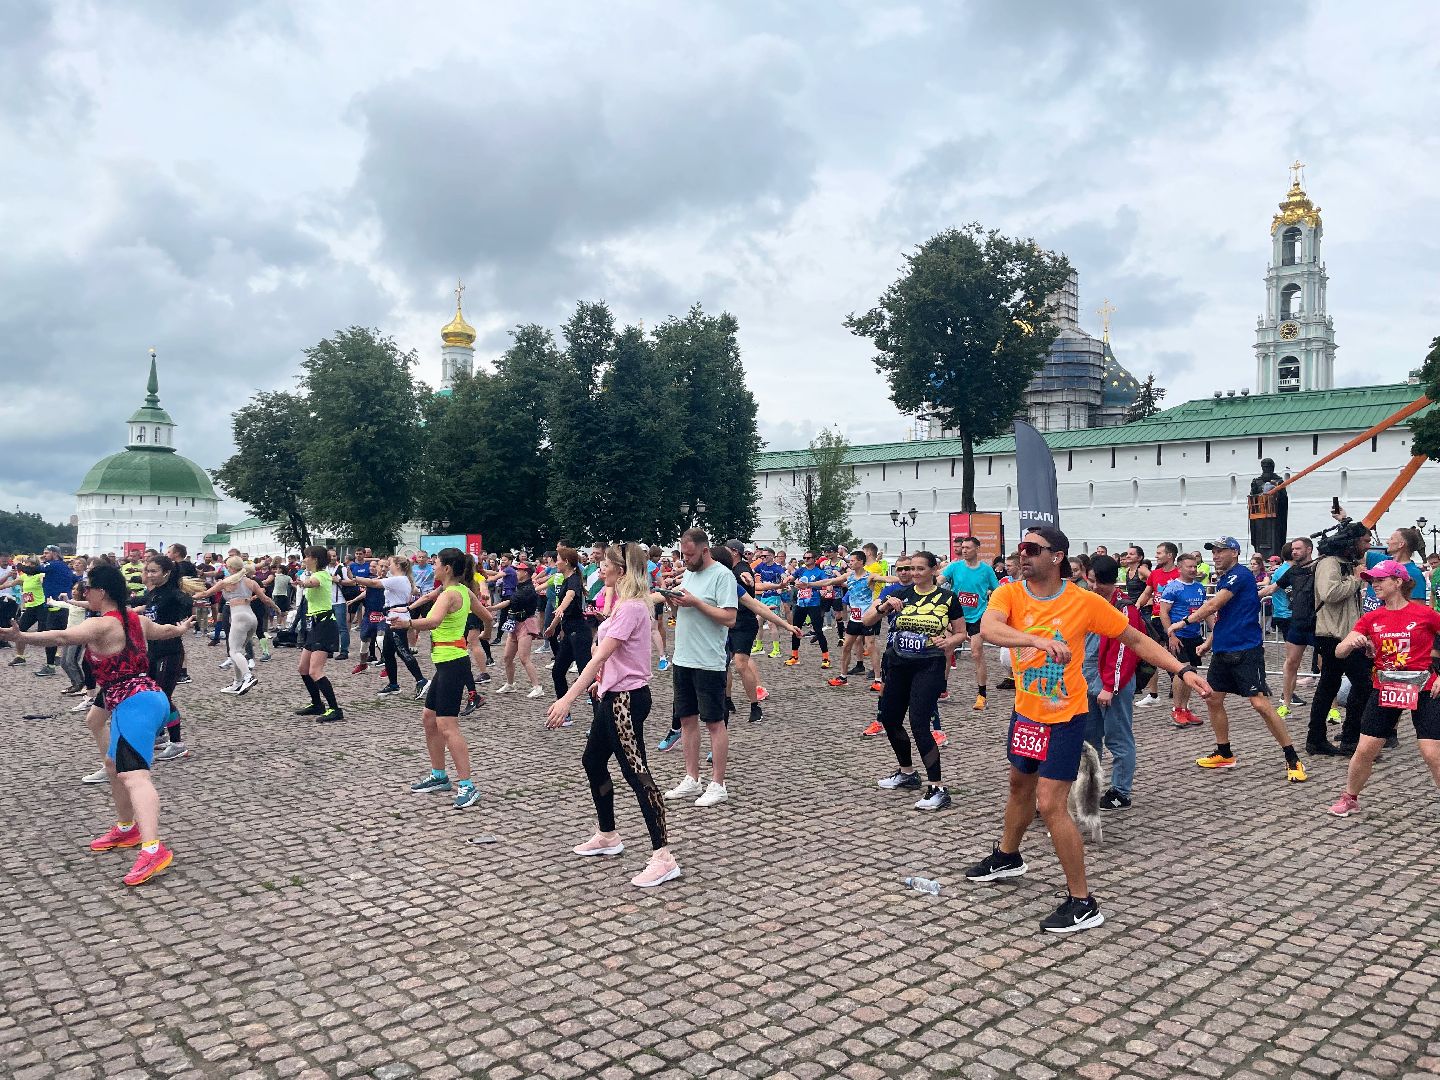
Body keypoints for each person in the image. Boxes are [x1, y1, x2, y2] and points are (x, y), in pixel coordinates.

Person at [967, 525, 1212, 934]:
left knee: (1049, 804)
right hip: (1026, 712)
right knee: (1017, 784)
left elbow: (1135, 638)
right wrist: (1037, 640)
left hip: (1064, 715)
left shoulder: (1083, 602)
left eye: (1031, 549)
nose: (1021, 556)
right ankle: (1009, 855)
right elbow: (989, 628)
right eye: (1019, 549)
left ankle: (1083, 902)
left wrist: (1182, 669)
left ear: (1056, 556)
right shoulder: (1009, 592)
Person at [0, 564, 192, 885]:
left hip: (135, 703)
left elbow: (61, 635)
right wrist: (181, 628)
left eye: (86, 588)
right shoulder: (137, 620)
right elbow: (164, 631)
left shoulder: (104, 625)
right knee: (105, 746)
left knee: (135, 776)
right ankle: (127, 829)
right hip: (136, 694)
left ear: (101, 591)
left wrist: (22, 636)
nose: (83, 593)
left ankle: (153, 848)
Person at [547, 542, 680, 888]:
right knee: (593, 761)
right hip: (611, 695)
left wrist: (566, 700)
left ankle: (664, 856)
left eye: (605, 565)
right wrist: (602, 682)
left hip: (626, 701)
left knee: (637, 773)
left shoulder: (633, 608)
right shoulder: (623, 602)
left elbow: (598, 657)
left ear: (621, 571)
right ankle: (608, 834)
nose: (599, 568)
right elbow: (613, 655)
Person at [1182, 537, 1307, 780]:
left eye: (1221, 551)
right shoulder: (1224, 578)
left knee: (1259, 704)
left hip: (1246, 650)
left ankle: (1293, 758)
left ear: (1235, 553)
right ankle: (1224, 752)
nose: (1216, 555)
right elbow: (1225, 615)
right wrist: (1209, 642)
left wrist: (1185, 622)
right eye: (1214, 551)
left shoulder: (1239, 575)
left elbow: (1213, 607)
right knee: (1213, 698)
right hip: (1223, 650)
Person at [1328, 559, 1440, 816]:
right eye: (1372, 581)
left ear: (1398, 582)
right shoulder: (1371, 618)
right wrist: (1352, 641)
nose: (1374, 585)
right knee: (1365, 748)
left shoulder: (1424, 614)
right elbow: (1339, 651)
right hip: (1387, 687)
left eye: (1380, 580)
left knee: (1431, 752)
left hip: (1423, 687)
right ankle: (1350, 798)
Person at [865, 551, 965, 811]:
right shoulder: (900, 594)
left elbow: (961, 633)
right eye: (911, 568)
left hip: (929, 665)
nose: (915, 573)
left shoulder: (947, 598)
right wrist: (884, 606)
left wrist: (949, 641)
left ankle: (938, 787)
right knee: (889, 718)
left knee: (919, 723)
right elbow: (867, 620)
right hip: (898, 663)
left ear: (933, 570)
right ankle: (907, 773)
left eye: (921, 568)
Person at [662, 528, 738, 808]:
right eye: (684, 554)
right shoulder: (690, 574)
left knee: (714, 722)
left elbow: (729, 618)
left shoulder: (722, 576)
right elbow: (683, 613)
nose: (686, 559)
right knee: (686, 720)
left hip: (709, 660)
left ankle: (718, 783)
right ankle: (692, 778)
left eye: (690, 554)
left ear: (705, 550)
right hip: (683, 658)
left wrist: (695, 602)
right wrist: (674, 604)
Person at [401, 548, 483, 809]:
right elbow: (488, 616)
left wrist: (408, 624)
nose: (432, 566)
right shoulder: (463, 591)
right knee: (429, 718)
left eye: (435, 562)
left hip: (452, 664)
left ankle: (468, 786)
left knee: (448, 726)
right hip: (447, 663)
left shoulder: (450, 594)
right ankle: (439, 776)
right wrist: (480, 637)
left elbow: (434, 621)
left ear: (447, 568)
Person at [1082, 555, 1143, 811]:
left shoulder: (1124, 608)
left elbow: (1124, 651)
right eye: (1092, 581)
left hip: (1113, 683)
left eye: (1099, 582)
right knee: (1089, 739)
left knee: (1118, 738)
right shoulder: (1091, 602)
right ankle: (1089, 786)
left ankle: (1121, 790)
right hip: (1089, 681)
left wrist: (1110, 685)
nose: (1095, 586)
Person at [1311, 523, 1373, 754]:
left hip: (1345, 634)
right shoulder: (1329, 563)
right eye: (1365, 541)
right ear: (1352, 541)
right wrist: (1356, 580)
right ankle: (1349, 738)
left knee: (1329, 685)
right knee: (1362, 684)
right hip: (1333, 635)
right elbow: (1330, 593)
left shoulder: (1344, 563)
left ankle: (1317, 738)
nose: (1367, 546)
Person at [141, 555, 201, 761]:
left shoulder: (174, 595)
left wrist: (184, 620)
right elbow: (143, 609)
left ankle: (177, 744)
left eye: (154, 571)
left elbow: (187, 604)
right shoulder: (153, 594)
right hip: (153, 651)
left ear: (166, 573)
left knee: (163, 698)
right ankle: (159, 735)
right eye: (147, 571)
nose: (149, 575)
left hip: (171, 652)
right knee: (149, 695)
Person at [197, 556, 279, 695]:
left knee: (233, 652)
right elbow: (265, 599)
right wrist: (276, 608)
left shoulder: (226, 582)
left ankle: (247, 677)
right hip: (251, 617)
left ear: (232, 568)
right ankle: (237, 682)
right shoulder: (250, 582)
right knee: (237, 652)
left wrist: (190, 596)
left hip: (239, 617)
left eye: (227, 567)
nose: (226, 569)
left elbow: (205, 593)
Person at [940, 536, 999, 710]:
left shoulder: (986, 570)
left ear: (977, 549)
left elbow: (997, 591)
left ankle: (982, 695)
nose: (964, 550)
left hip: (978, 616)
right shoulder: (955, 567)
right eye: (962, 547)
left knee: (976, 653)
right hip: (956, 616)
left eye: (968, 547)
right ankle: (942, 690)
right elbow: (940, 580)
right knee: (945, 651)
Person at [1157, 553, 1208, 727]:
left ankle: (1185, 709)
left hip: (1194, 635)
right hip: (1178, 637)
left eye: (1195, 566)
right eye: (1189, 567)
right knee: (1182, 671)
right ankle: (1176, 709)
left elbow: (1205, 611)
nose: (1193, 569)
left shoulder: (1200, 588)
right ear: (1180, 568)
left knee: (1191, 672)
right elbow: (1163, 612)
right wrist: (1171, 635)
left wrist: (1215, 631)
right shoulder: (1172, 588)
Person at [293, 546, 344, 722]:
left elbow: (314, 583)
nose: (304, 560)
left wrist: (303, 583)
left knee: (315, 670)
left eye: (306, 557)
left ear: (314, 559)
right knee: (303, 669)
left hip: (325, 626)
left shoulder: (321, 575)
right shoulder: (312, 574)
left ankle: (335, 709)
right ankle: (317, 704)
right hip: (314, 626)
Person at [545, 546, 592, 727]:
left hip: (580, 633)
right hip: (569, 634)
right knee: (557, 672)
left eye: (557, 559)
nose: (555, 562)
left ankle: (600, 718)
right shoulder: (565, 579)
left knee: (586, 677)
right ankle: (564, 715)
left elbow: (570, 596)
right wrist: (551, 627)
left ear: (565, 562)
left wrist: (561, 609)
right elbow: (561, 612)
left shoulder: (573, 580)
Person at [492, 561, 545, 698]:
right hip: (515, 623)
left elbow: (511, 601)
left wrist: (493, 608)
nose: (516, 572)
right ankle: (510, 684)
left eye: (519, 570)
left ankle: (537, 687)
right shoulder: (520, 587)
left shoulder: (527, 589)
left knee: (524, 658)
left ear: (525, 572)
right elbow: (510, 601)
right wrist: (492, 608)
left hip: (525, 623)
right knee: (507, 657)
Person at [784, 552, 832, 669]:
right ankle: (794, 656)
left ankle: (826, 658)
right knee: (796, 629)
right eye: (804, 557)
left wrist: (825, 590)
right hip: (801, 604)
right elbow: (791, 577)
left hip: (814, 604)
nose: (806, 559)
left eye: (808, 558)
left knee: (818, 630)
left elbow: (828, 584)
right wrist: (786, 581)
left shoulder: (820, 572)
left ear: (814, 559)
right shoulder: (801, 570)